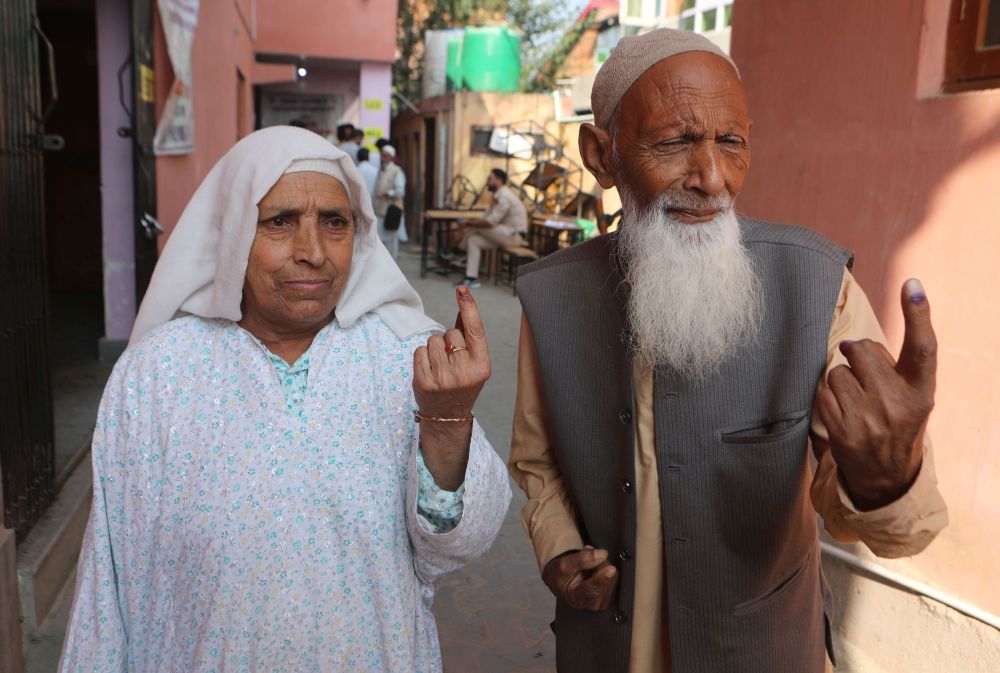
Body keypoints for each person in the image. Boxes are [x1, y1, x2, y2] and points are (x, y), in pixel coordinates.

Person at [509, 28, 947, 673]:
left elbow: (886, 526)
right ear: (602, 156)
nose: (712, 179)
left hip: (763, 648)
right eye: (675, 142)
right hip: (606, 649)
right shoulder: (551, 296)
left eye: (731, 143)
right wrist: (558, 549)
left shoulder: (815, 285)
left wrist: (889, 478)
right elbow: (537, 459)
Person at [59, 126, 511, 673]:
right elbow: (110, 581)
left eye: (334, 222)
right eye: (279, 222)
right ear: (234, 233)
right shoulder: (158, 374)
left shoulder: (410, 358)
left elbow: (457, 548)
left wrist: (446, 421)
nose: (312, 252)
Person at [454, 168, 528, 288]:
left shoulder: (504, 196)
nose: (487, 182)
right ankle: (471, 278)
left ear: (499, 180)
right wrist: (468, 223)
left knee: (476, 227)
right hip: (503, 234)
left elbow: (490, 222)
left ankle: (457, 250)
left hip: (514, 236)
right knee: (473, 240)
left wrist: (467, 225)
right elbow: (485, 217)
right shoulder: (498, 195)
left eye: (490, 179)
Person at [373, 144, 408, 260]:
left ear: (390, 156)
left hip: (391, 212)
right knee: (380, 242)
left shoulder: (397, 171)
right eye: (381, 155)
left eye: (385, 155)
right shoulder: (380, 170)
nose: (382, 157)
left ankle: (392, 266)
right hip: (380, 211)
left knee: (391, 242)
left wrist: (387, 194)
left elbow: (400, 191)